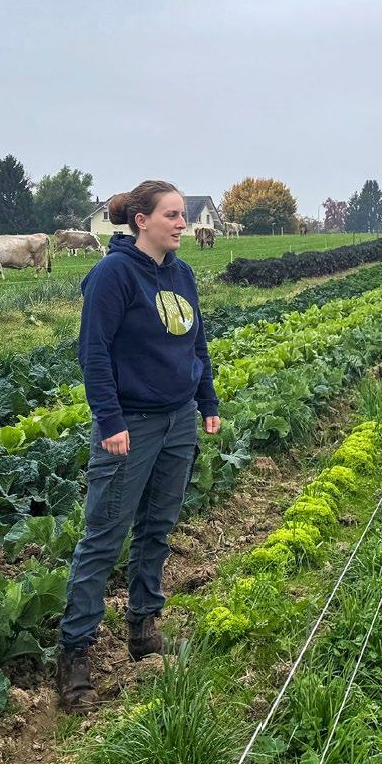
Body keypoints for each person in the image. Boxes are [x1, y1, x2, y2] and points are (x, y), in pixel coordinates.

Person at [57, 180, 221, 711]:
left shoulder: (181, 273)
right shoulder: (113, 275)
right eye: (172, 215)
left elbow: (196, 342)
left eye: (182, 216)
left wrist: (207, 401)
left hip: (177, 421)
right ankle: (75, 656)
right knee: (104, 536)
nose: (182, 223)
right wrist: (110, 420)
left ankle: (143, 625)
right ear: (141, 221)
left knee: (158, 527)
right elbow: (94, 353)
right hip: (131, 423)